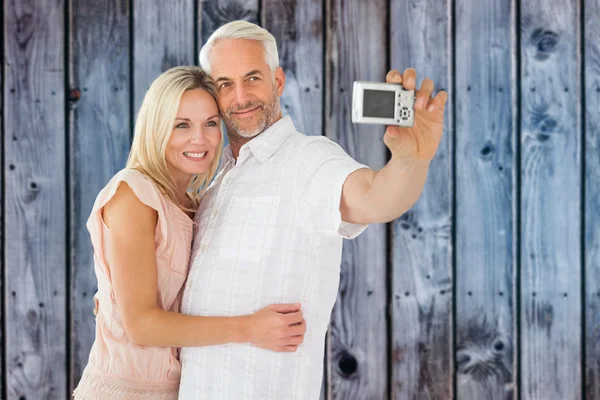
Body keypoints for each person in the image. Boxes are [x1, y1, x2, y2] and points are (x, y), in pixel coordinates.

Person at [178, 21, 448, 400]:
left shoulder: (308, 158)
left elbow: (373, 198)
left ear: (278, 81)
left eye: (253, 78)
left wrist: (411, 161)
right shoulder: (217, 178)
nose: (240, 97)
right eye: (225, 84)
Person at [73, 66, 307, 400]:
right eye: (182, 125)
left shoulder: (195, 204)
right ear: (156, 129)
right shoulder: (133, 194)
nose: (200, 138)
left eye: (211, 123)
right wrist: (250, 328)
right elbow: (141, 324)